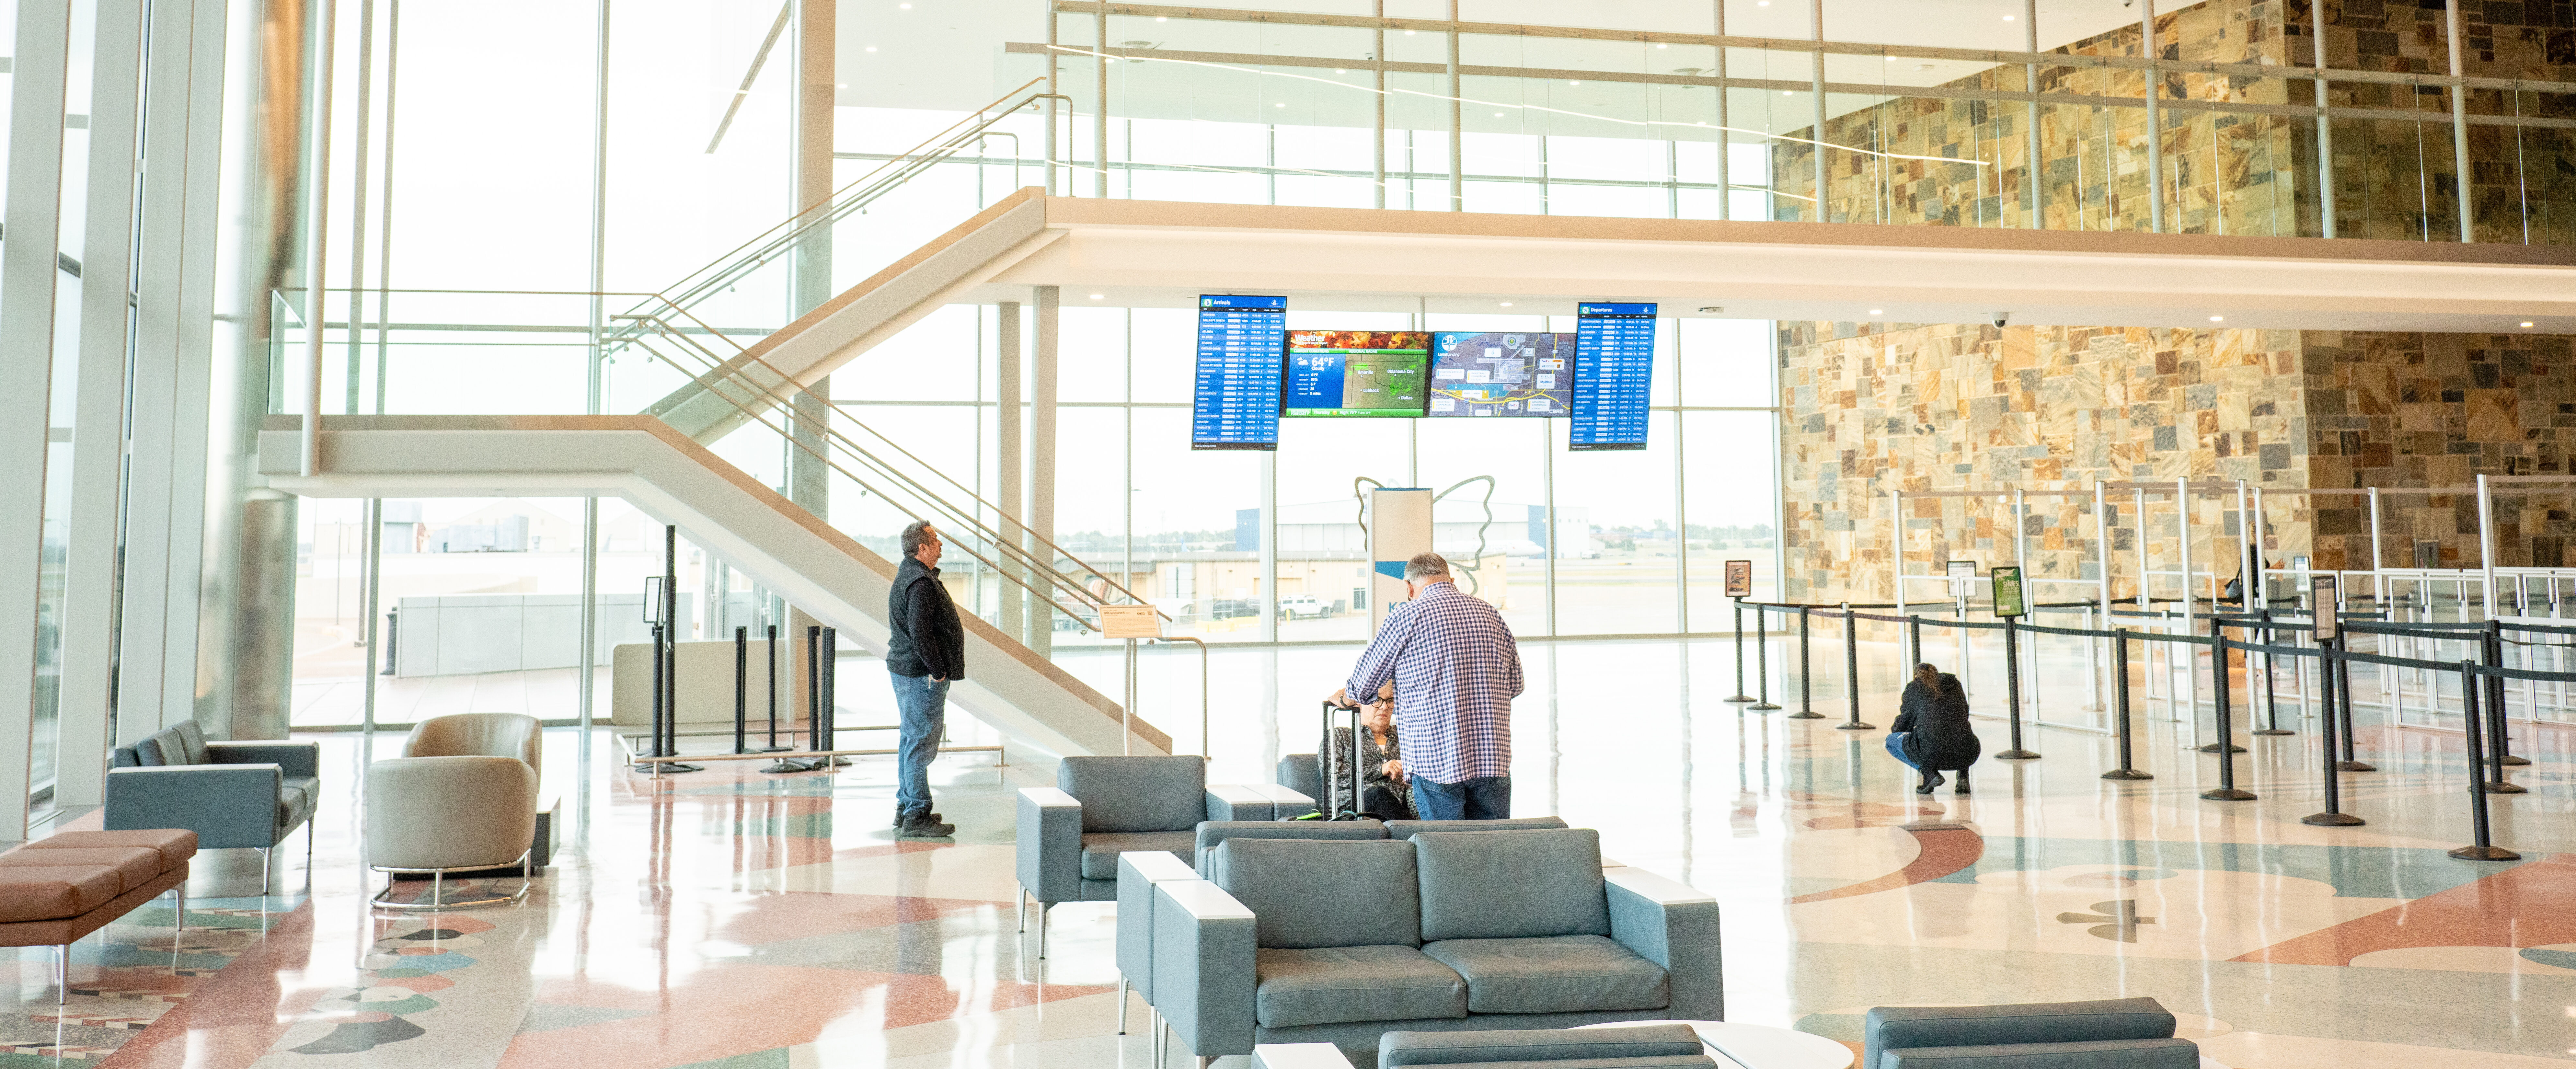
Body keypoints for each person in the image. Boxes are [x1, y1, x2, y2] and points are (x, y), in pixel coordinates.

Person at [1332, 552, 1524, 821]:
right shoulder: (1490, 614)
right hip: (1493, 758)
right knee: (1491, 852)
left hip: (1437, 761)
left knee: (1444, 853)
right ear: (1451, 580)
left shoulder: (1407, 617)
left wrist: (1346, 698)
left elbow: (1365, 685)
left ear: (1409, 588)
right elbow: (1516, 685)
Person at [885, 520, 960, 838]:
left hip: (909, 671)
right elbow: (921, 635)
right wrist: (939, 671)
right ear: (923, 548)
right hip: (922, 675)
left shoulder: (910, 575)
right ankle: (917, 812)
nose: (941, 544)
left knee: (910, 738)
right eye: (936, 540)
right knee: (919, 742)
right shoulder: (919, 582)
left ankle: (907, 806)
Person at [1323, 682, 1416, 820]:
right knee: (1378, 794)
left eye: (1390, 700)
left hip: (1398, 809)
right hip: (1350, 811)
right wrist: (1381, 769)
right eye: (1377, 700)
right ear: (1359, 704)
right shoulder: (1340, 736)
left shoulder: (1405, 737)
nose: (1385, 707)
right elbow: (1334, 777)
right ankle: (1418, 836)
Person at [1888, 662, 1980, 795]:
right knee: (1958, 734)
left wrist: (1898, 731)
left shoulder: (1914, 688)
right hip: (1969, 752)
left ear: (1916, 676)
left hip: (1932, 754)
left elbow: (1904, 723)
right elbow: (1964, 714)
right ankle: (1963, 776)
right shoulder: (1955, 685)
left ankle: (1930, 774)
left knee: (1890, 742)